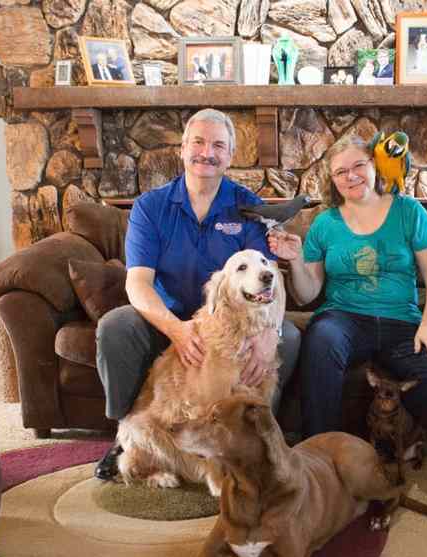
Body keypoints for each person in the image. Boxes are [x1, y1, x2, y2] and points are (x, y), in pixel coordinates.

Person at [94, 108, 302, 479]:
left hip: (227, 320)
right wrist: (176, 329)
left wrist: (271, 332)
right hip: (165, 317)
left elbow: (269, 278)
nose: (207, 152)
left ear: (230, 155)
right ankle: (125, 438)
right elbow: (137, 283)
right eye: (199, 142)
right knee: (115, 327)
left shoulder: (248, 207)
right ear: (183, 148)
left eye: (218, 145)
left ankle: (259, 442)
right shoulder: (150, 207)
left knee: (292, 336)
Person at [267, 136, 427, 439]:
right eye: (340, 172)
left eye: (358, 165)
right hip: (343, 318)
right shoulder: (324, 223)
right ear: (332, 180)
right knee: (322, 339)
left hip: (402, 322)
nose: (351, 176)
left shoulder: (409, 211)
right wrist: (295, 261)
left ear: (375, 165)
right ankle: (321, 446)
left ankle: (386, 428)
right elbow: (307, 295)